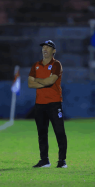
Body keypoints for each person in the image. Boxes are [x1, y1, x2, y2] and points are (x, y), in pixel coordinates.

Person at [28, 40, 68, 168]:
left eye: (48, 47)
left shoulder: (57, 64)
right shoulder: (36, 65)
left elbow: (51, 81)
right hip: (40, 104)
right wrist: (44, 81)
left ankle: (62, 161)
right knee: (42, 132)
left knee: (59, 131)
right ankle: (44, 160)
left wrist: (39, 81)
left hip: (54, 103)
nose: (45, 49)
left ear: (54, 51)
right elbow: (30, 83)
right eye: (43, 47)